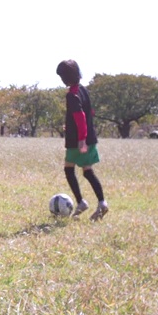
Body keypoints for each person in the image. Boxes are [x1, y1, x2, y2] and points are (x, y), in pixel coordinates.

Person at [56, 59, 108, 220]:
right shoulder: (83, 90)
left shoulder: (72, 95)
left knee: (69, 169)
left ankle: (82, 202)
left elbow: (81, 117)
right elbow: (88, 113)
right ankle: (101, 203)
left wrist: (81, 139)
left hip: (78, 140)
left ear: (66, 77)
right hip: (89, 137)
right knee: (87, 171)